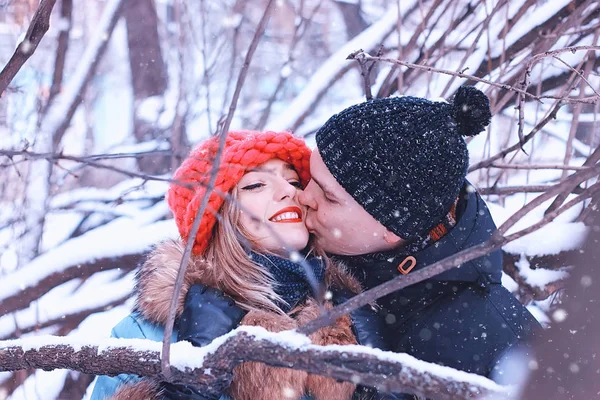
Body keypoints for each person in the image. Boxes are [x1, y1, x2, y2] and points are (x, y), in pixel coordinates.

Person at [89, 131, 381, 400]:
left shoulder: (357, 310)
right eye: (255, 184)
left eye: (294, 181)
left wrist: (380, 390)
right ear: (217, 219)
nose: (288, 192)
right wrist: (188, 386)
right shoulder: (147, 336)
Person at [297, 86, 542, 389]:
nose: (303, 196)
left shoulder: (484, 348)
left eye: (329, 197)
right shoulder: (351, 257)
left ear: (391, 228)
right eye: (308, 178)